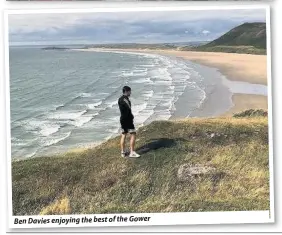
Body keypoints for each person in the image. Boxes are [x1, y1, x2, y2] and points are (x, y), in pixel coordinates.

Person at [118, 86, 140, 158]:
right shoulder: (125, 99)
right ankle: (132, 152)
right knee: (133, 134)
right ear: (127, 91)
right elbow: (129, 109)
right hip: (128, 120)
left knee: (123, 135)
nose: (130, 93)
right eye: (130, 91)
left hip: (122, 119)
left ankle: (122, 152)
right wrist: (132, 116)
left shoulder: (120, 99)